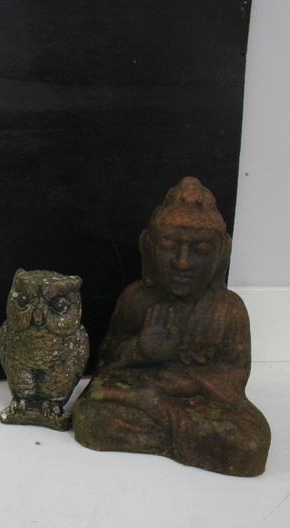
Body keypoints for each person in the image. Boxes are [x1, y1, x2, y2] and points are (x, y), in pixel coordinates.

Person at [73, 177, 270, 476]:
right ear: (147, 247)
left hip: (196, 406)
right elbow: (105, 367)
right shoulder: (136, 299)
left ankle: (160, 434)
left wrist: (188, 383)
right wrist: (140, 352)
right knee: (92, 411)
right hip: (145, 393)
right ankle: (173, 435)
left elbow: (235, 378)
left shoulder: (229, 309)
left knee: (252, 442)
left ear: (222, 253)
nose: (182, 263)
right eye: (168, 246)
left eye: (201, 249)